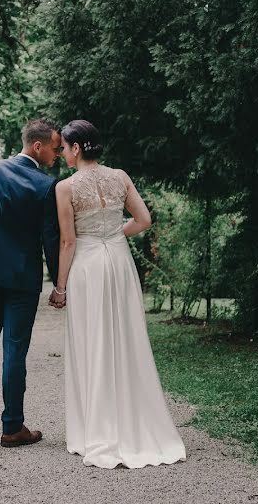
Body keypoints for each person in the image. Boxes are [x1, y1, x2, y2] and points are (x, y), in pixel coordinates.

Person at [49, 119, 187, 468]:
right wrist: (114, 236)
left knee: (91, 340)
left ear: (76, 148)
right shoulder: (120, 176)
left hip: (87, 267)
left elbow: (68, 242)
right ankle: (135, 423)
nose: (62, 153)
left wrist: (60, 288)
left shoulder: (65, 187)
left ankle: (94, 429)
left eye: (64, 147)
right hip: (120, 263)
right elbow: (143, 220)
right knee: (126, 337)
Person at [0, 118, 63, 448]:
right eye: (55, 147)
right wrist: (60, 283)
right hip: (21, 280)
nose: (58, 153)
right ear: (38, 146)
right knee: (15, 351)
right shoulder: (46, 186)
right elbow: (50, 239)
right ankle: (12, 428)